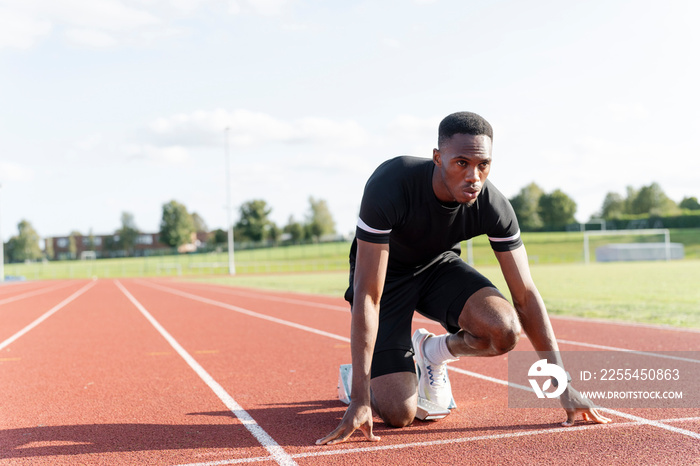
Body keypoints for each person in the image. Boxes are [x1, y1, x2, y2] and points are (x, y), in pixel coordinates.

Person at [316, 111, 611, 446]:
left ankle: (431, 351)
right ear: (438, 158)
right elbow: (369, 296)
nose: (474, 176)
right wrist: (359, 400)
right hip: (387, 276)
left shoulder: (492, 205)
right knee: (399, 415)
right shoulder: (391, 184)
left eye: (483, 164)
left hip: (437, 267)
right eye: (461, 163)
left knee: (504, 331)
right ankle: (357, 378)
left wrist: (563, 385)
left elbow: (525, 294)